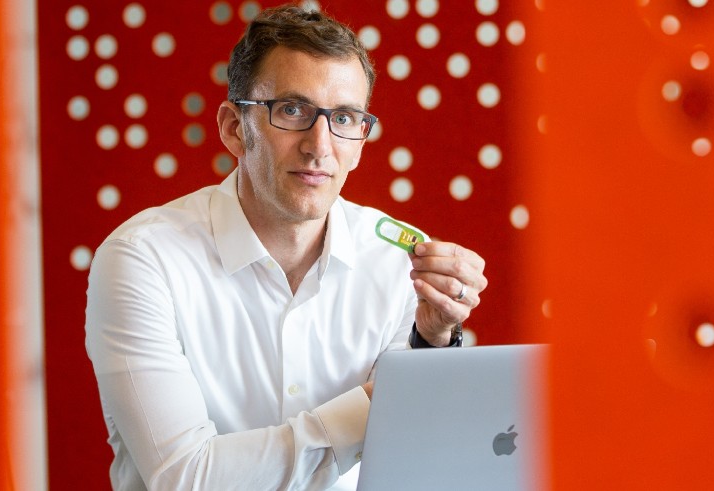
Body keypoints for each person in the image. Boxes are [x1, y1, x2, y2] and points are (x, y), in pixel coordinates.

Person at [84, 4, 488, 490]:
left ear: (361, 139)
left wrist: (434, 343)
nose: (320, 145)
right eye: (292, 110)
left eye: (343, 117)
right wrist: (387, 402)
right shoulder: (143, 259)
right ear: (235, 128)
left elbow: (420, 459)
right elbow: (184, 478)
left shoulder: (397, 261)